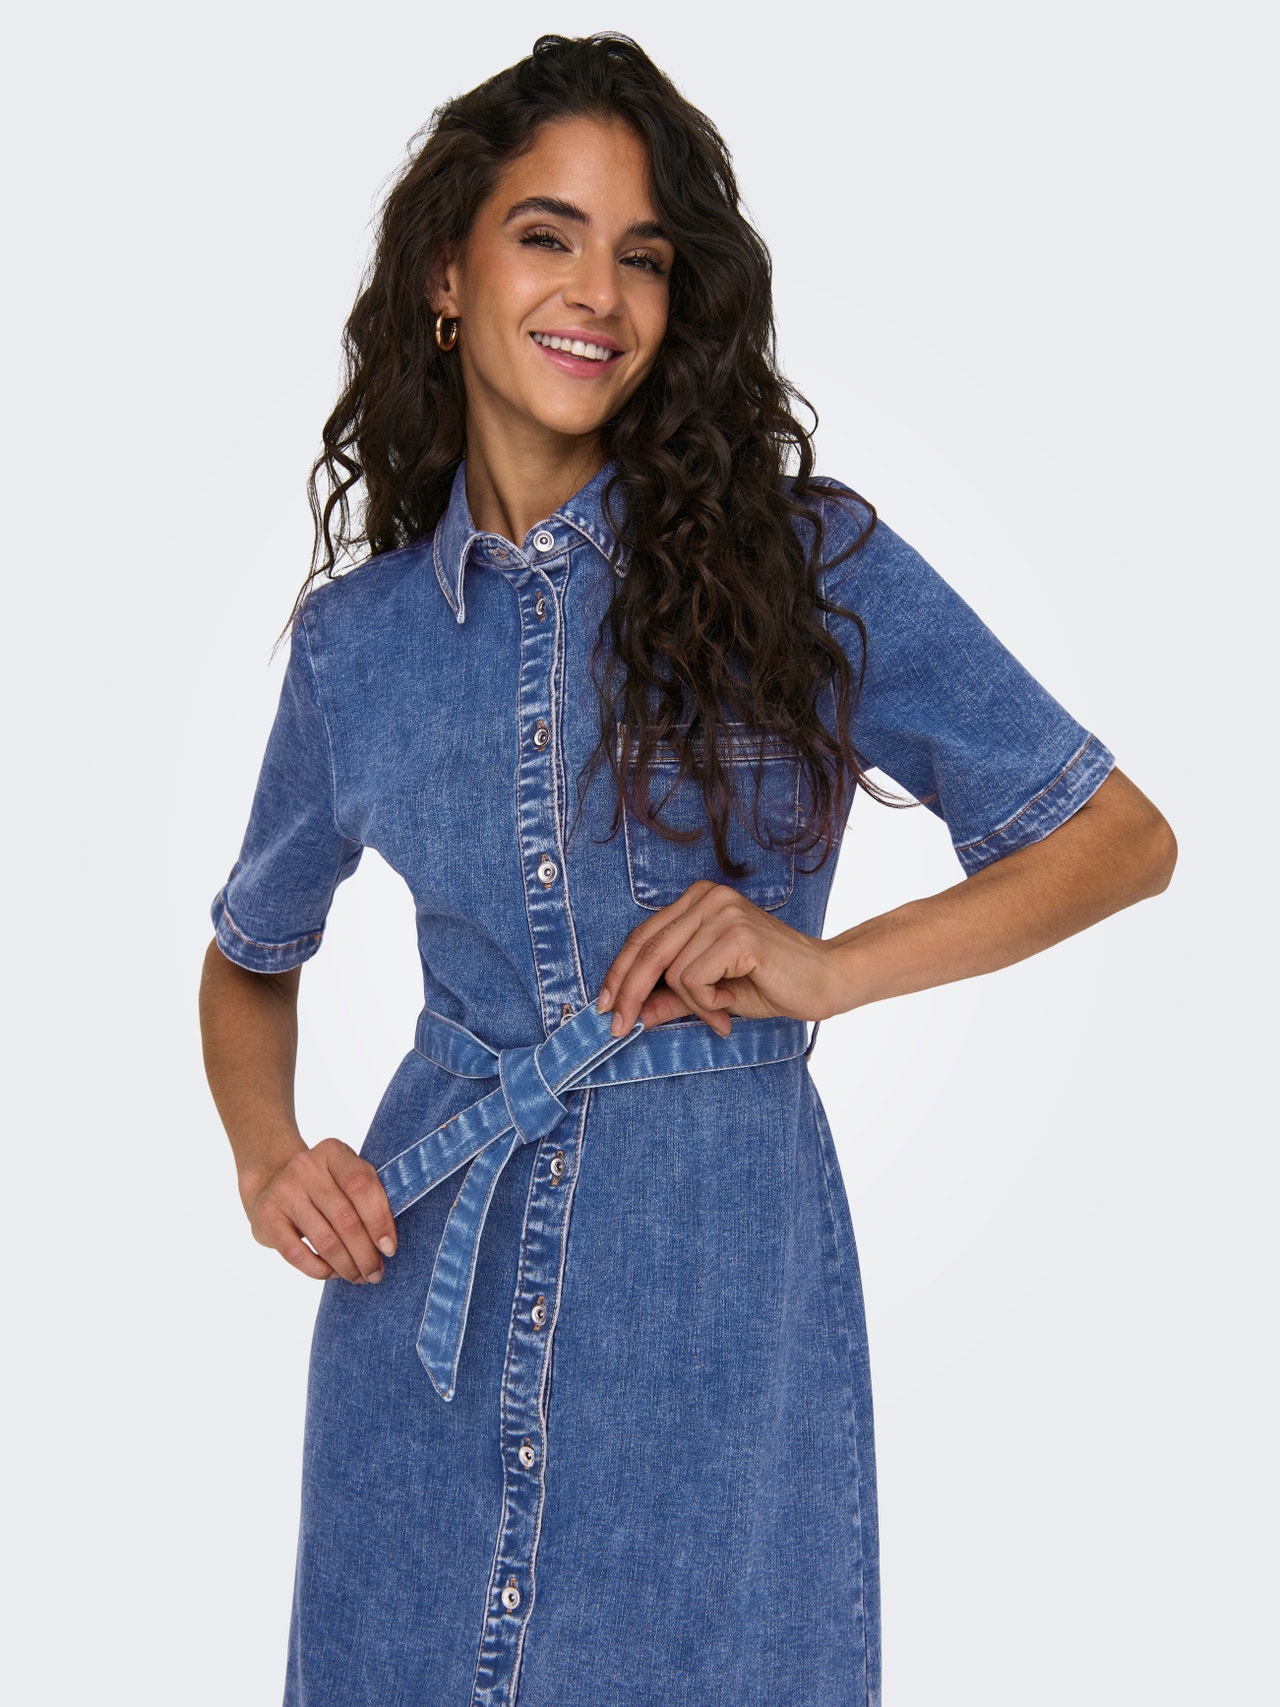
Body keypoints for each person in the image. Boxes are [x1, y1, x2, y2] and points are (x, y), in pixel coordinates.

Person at [198, 32, 1176, 1707]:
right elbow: (249, 951)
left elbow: (1117, 839)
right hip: (421, 1323)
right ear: (447, 276)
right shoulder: (359, 648)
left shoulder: (807, 564)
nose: (598, 292)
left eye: (643, 255)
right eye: (547, 235)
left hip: (712, 1325)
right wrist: (267, 1156)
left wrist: (829, 970)